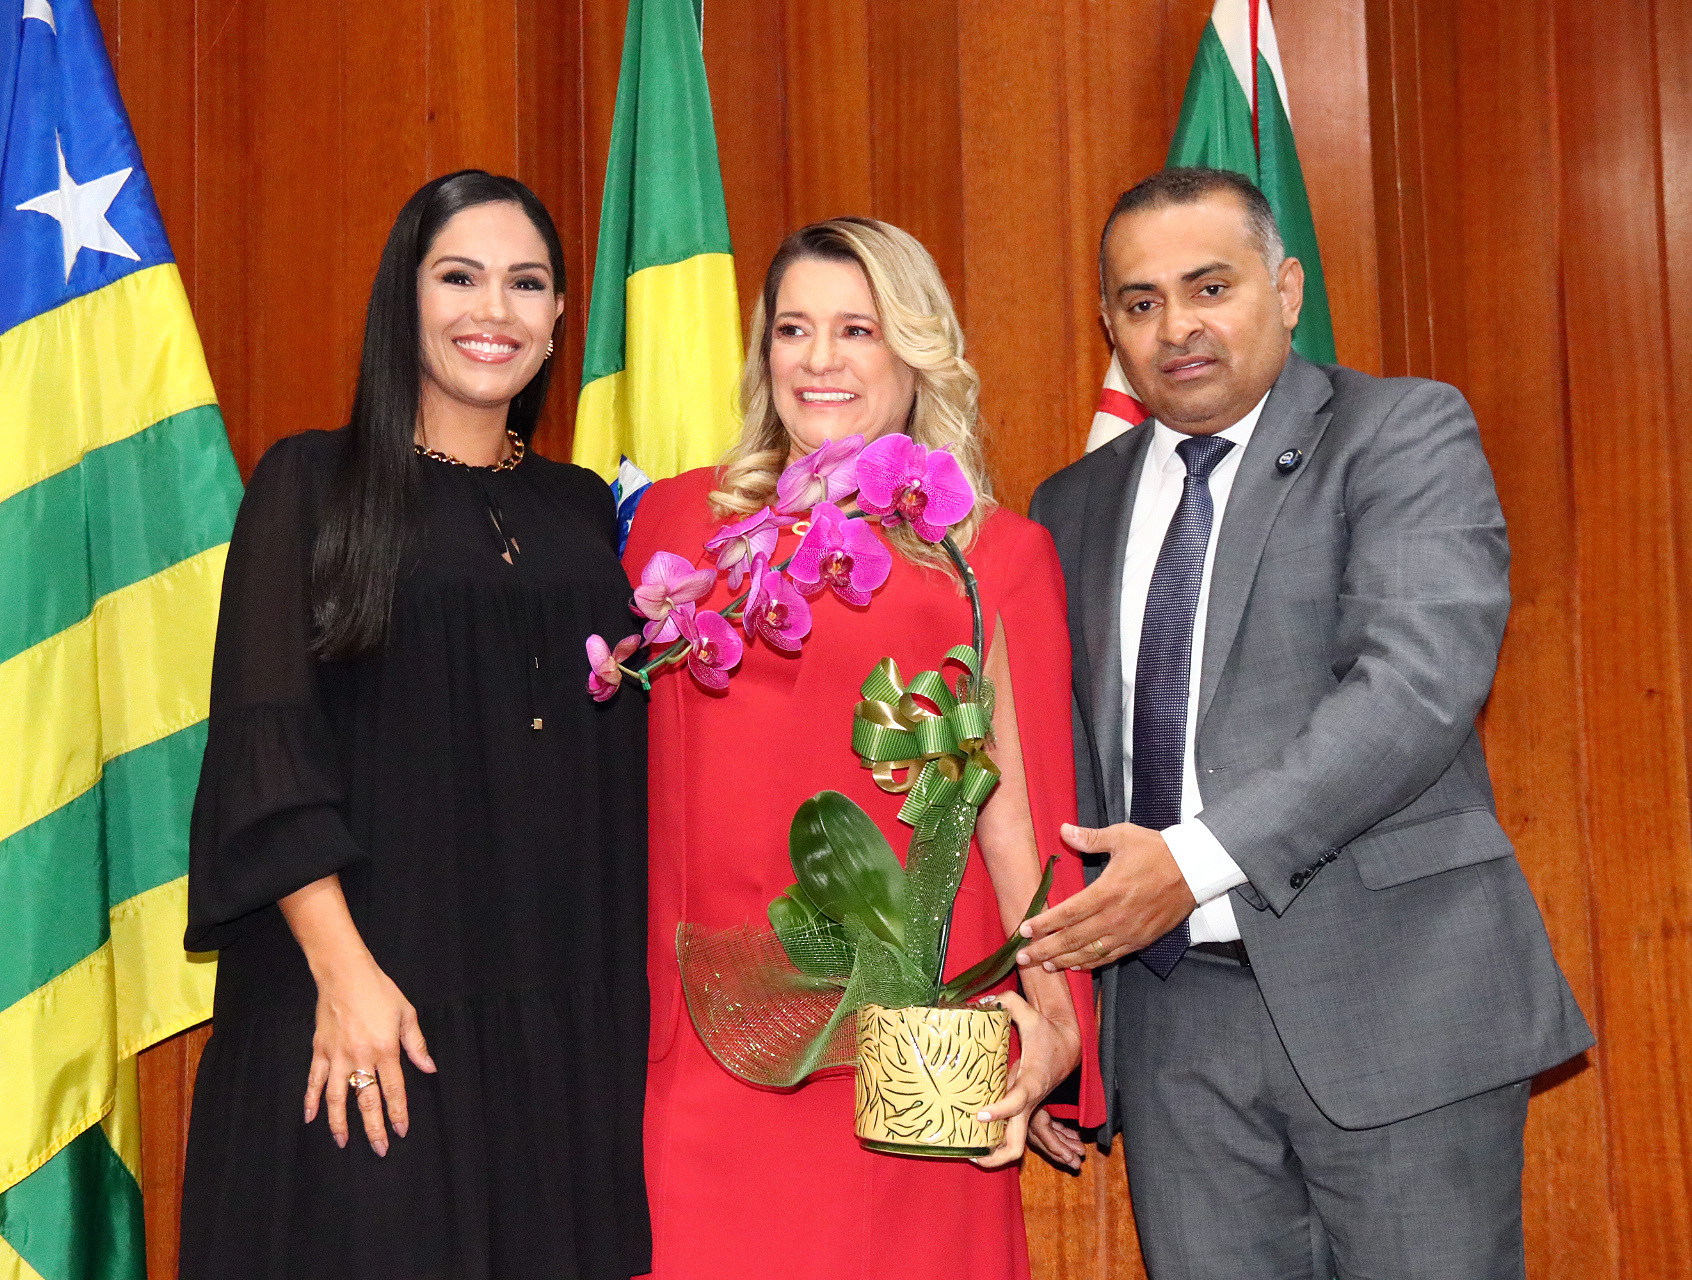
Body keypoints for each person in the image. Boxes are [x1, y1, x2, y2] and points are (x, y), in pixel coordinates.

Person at [1023, 167, 1594, 1279]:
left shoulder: (1401, 431)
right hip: (1172, 1029)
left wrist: (1191, 863)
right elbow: (1065, 770)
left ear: (1285, 290)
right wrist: (1061, 1015)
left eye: (1210, 287)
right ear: (1109, 326)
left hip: (1399, 999)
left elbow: (1415, 685)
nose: (1177, 326)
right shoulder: (1068, 504)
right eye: (1141, 302)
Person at [180, 170, 650, 1280]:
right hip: (364, 1005)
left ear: (557, 318)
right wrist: (345, 976)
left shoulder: (585, 509)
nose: (494, 310)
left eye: (526, 283)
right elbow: (264, 743)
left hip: (549, 1027)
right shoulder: (311, 482)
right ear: (405, 298)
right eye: (459, 277)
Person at [624, 216, 1104, 1280]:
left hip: (909, 1056)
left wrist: (1058, 1028)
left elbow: (1018, 819)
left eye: (857, 329)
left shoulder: (995, 554)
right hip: (703, 1045)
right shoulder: (676, 522)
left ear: (916, 348)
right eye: (793, 329)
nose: (819, 359)